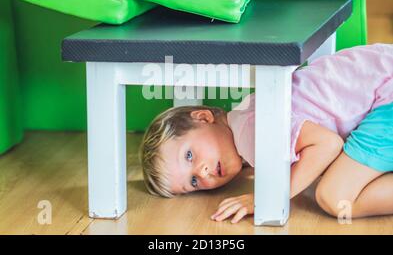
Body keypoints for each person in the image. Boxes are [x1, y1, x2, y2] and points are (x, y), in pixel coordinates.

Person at [140, 43, 393, 223]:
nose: (202, 172)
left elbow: (328, 145)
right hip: (382, 77)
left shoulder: (251, 131)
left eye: (189, 156)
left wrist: (269, 197)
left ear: (203, 117)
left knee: (333, 196)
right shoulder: (244, 112)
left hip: (386, 94)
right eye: (193, 182)